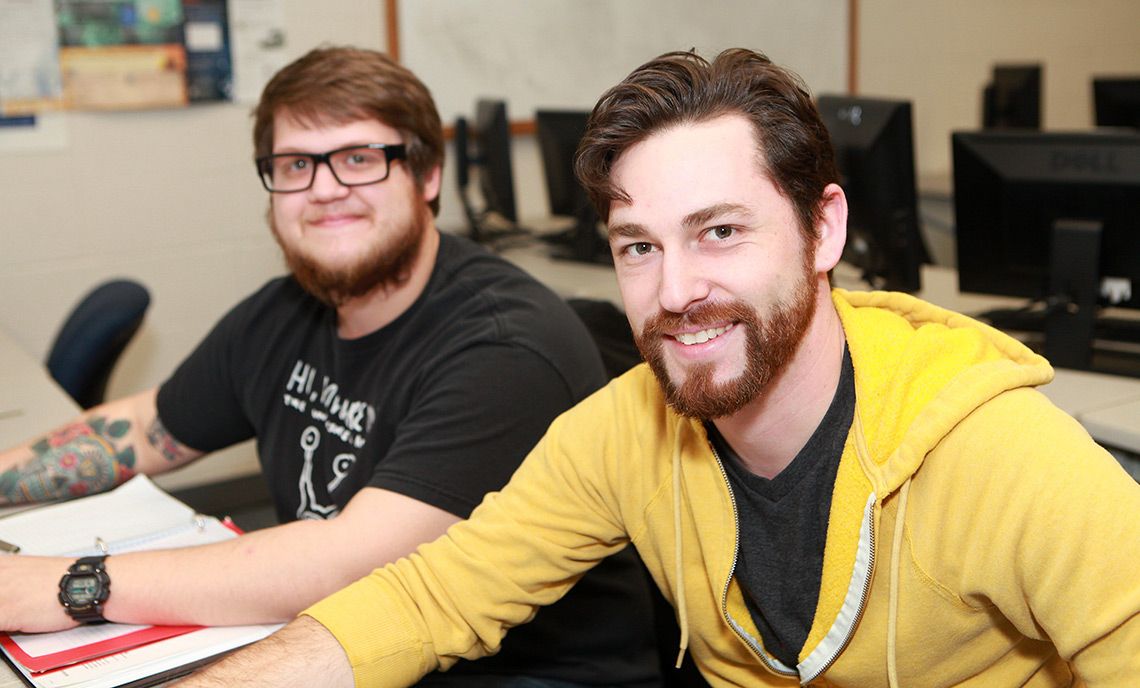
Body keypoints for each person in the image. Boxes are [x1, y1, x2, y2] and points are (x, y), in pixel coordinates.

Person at [176, 48, 1140, 688]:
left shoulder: (1000, 455)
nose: (677, 290)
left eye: (719, 232)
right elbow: (430, 599)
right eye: (638, 246)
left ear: (823, 229)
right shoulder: (627, 427)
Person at [0, 46, 663, 687]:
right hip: (349, 639)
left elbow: (349, 563)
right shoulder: (290, 308)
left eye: (358, 158)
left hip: (524, 671)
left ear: (426, 176)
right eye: (295, 166)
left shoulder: (506, 347)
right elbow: (148, 426)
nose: (325, 189)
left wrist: (71, 585)